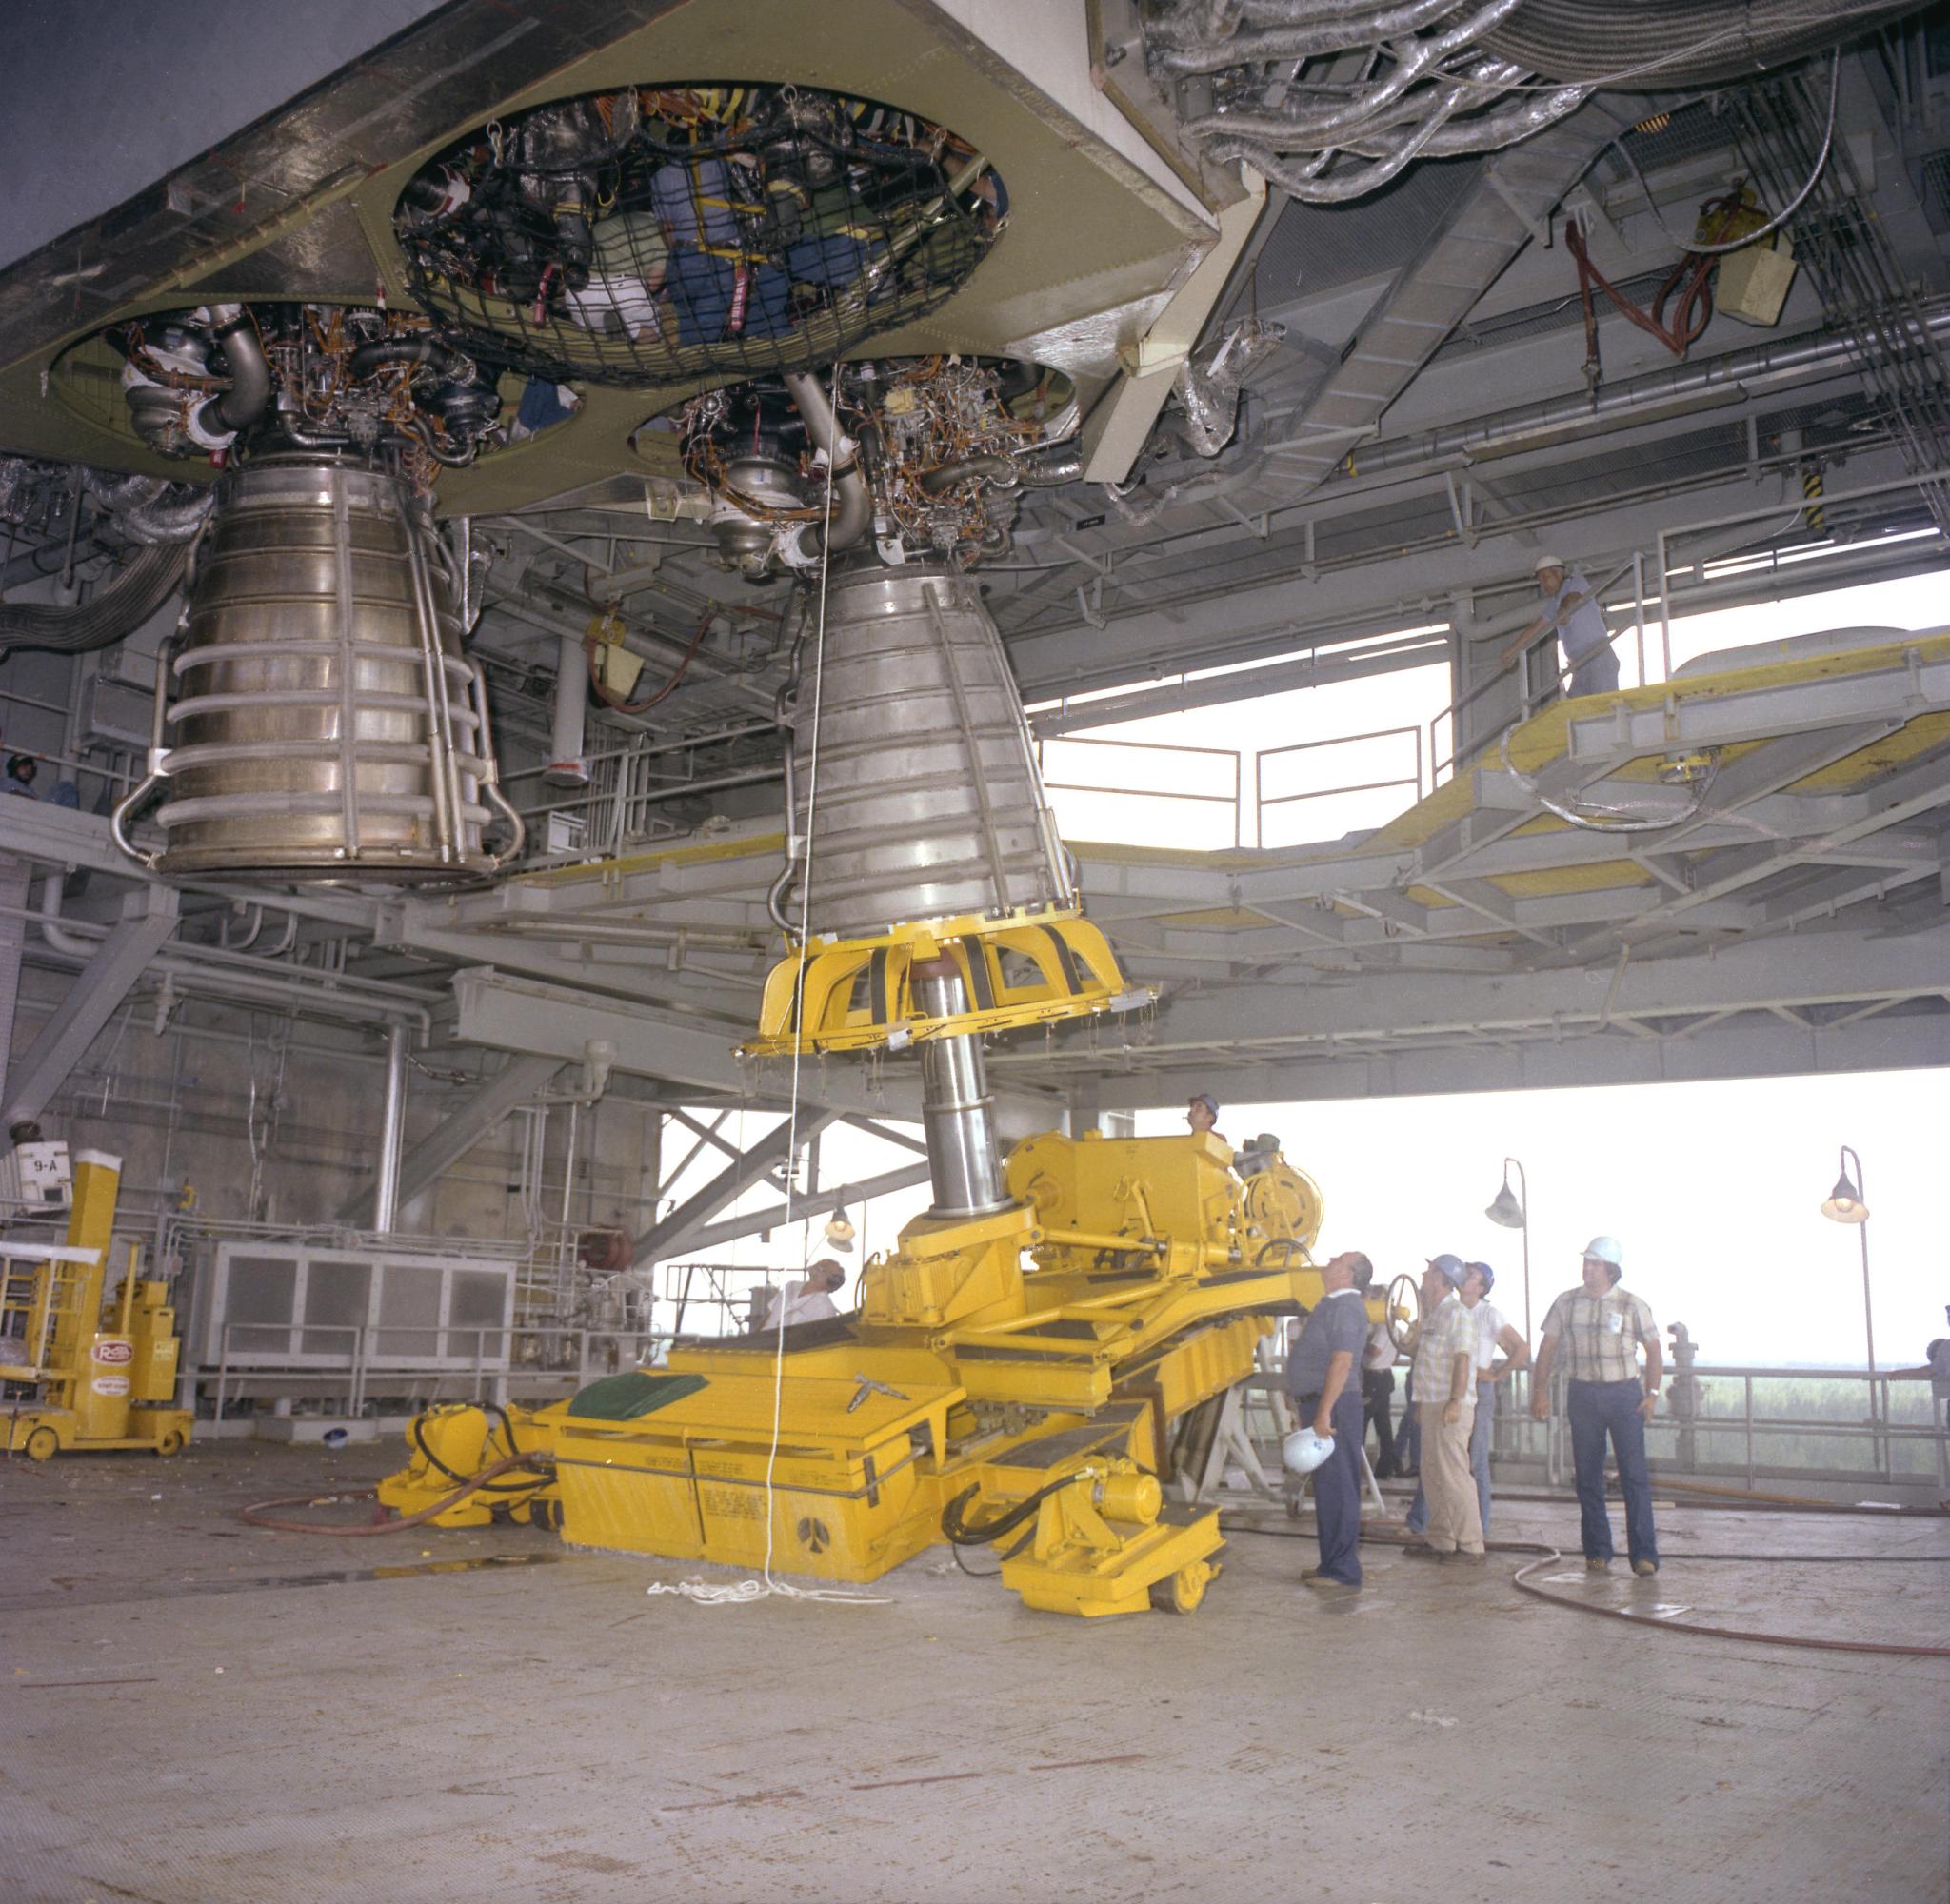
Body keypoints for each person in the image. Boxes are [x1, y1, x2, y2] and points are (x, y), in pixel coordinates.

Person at [1531, 1236, 1661, 1576]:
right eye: (1586, 1262)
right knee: (1587, 1476)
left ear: (1611, 1270)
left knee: (1634, 1476)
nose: (1588, 1269)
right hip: (1583, 1394)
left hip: (1624, 1396)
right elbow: (1547, 1347)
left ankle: (1643, 1555)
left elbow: (1654, 1349)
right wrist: (1539, 1391)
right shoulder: (1566, 1302)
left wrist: (1653, 1393)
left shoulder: (1632, 1305)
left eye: (1595, 1264)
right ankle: (1597, 1551)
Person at [1283, 1249, 1375, 1591]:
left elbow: (1342, 1363)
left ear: (1349, 1275)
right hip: (1323, 1404)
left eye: (1339, 1259)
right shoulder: (1332, 1303)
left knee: (1339, 1486)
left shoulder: (1347, 1307)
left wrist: (1322, 1412)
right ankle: (1331, 1563)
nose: (1331, 1259)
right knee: (1327, 1487)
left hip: (1334, 1407)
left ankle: (1343, 1571)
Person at [1407, 1254, 1484, 1561]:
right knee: (1432, 1472)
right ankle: (1441, 1538)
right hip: (1431, 1402)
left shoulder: (1457, 1314)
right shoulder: (1433, 1315)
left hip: (1450, 1404)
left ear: (1441, 1279)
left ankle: (1470, 1543)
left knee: (1453, 1473)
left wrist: (1455, 1400)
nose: (1423, 1278)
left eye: (1428, 1273)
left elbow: (1462, 1359)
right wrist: (1422, 1403)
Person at [1500, 553, 1620, 697]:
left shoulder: (1576, 582)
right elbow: (1536, 627)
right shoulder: (1553, 604)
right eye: (1540, 580)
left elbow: (1574, 597)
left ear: (1559, 574)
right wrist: (1511, 652)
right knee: (1575, 714)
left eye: (1546, 577)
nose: (1543, 584)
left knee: (1604, 708)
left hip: (1598, 656)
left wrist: (1564, 609)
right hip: (1578, 665)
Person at [1361, 1304, 1401, 1480]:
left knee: (1361, 1421)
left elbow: (1375, 1350)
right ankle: (1385, 1467)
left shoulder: (1384, 1329)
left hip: (1374, 1379)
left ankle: (1357, 1465)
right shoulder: (1395, 1329)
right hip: (1384, 1377)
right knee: (1383, 1425)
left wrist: (1359, 1344)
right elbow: (1398, 1352)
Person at [758, 1258, 846, 1332]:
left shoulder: (825, 1308)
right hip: (758, 1345)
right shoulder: (791, 1285)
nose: (820, 1263)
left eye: (824, 1266)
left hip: (786, 1351)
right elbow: (770, 1314)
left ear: (828, 1278)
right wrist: (754, 1336)